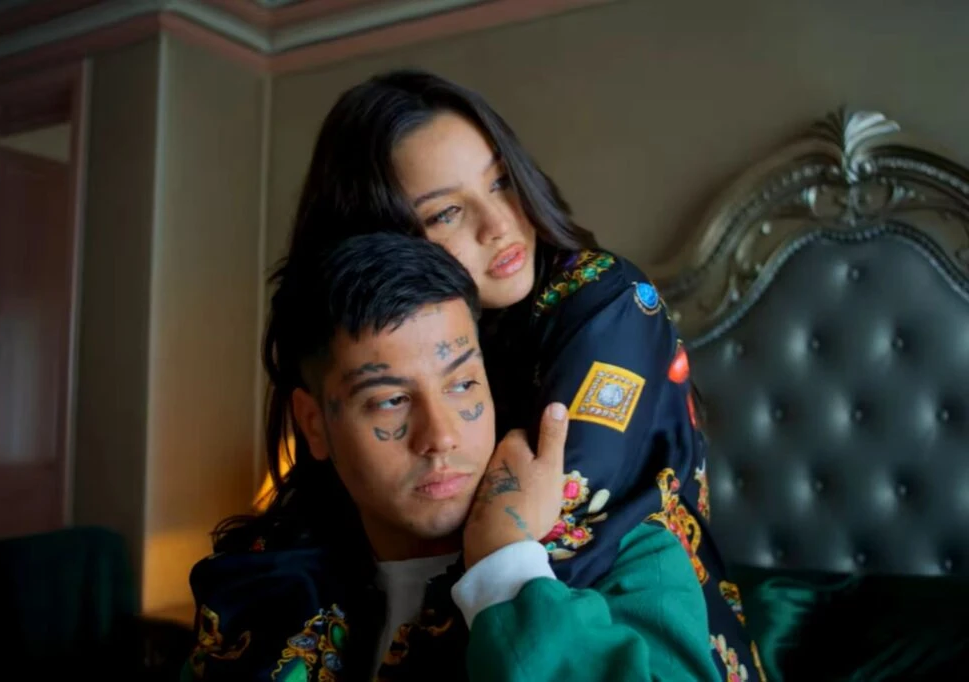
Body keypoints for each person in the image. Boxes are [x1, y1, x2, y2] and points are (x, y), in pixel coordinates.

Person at [277, 70, 764, 681]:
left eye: (502, 181)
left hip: (627, 621)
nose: (499, 223)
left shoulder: (608, 304)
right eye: (447, 212)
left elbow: (532, 519)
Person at [184, 232, 720, 681]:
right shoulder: (263, 593)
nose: (440, 437)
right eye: (390, 401)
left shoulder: (633, 562)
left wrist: (506, 566)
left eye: (462, 385)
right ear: (314, 424)